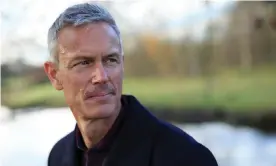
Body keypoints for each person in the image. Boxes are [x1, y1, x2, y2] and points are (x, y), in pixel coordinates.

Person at [44, 2, 218, 166]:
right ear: (54, 75)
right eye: (83, 63)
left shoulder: (186, 158)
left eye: (110, 60)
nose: (101, 76)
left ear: (122, 64)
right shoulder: (58, 156)